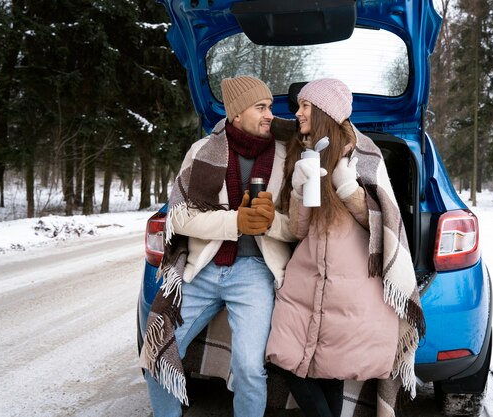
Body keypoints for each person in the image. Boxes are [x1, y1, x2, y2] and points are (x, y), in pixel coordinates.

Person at [265, 78, 426, 417]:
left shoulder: (363, 152)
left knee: (331, 368)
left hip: (350, 285)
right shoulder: (303, 150)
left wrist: (347, 186)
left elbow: (385, 225)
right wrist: (298, 190)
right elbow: (298, 230)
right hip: (306, 280)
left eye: (304, 106)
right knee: (281, 356)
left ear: (324, 111)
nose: (297, 114)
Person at [140, 75, 295, 417]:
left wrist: (270, 222)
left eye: (270, 106)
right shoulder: (201, 152)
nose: (270, 114)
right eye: (261, 107)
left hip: (255, 273)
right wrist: (235, 223)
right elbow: (179, 218)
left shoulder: (287, 156)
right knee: (156, 350)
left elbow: (299, 227)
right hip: (203, 268)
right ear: (236, 114)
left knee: (249, 369)